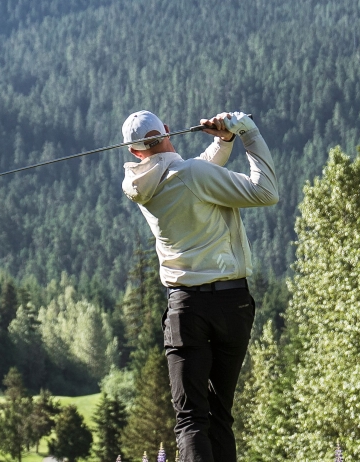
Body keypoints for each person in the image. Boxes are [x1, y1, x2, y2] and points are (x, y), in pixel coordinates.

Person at [119, 110, 276, 462]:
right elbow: (266, 192)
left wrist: (223, 141)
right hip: (232, 303)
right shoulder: (191, 173)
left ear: (134, 152)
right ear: (168, 131)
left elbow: (195, 173)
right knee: (220, 414)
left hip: (185, 308)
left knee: (191, 418)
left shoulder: (141, 183)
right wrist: (247, 132)